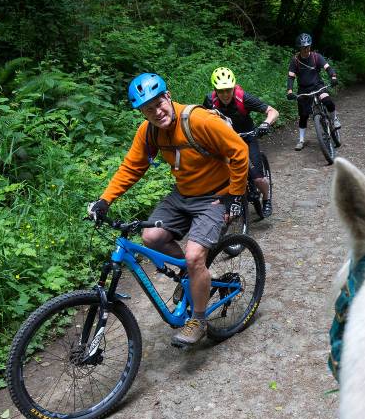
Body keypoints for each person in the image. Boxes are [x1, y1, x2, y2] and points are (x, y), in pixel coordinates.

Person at [87, 72, 250, 346]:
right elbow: (132, 167)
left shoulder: (199, 120)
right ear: (142, 113)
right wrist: (105, 200)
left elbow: (239, 151)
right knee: (151, 237)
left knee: (195, 255)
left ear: (168, 96)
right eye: (148, 109)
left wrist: (234, 196)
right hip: (183, 194)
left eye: (158, 103)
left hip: (215, 195)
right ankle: (193, 279)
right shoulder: (149, 131)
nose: (156, 112)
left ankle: (198, 318)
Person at [203, 66, 279, 218]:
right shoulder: (210, 100)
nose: (225, 94)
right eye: (221, 90)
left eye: (228, 90)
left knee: (257, 178)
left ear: (233, 87)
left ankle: (266, 198)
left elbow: (273, 111)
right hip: (225, 141)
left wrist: (265, 124)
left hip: (246, 137)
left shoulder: (243, 98)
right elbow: (203, 120)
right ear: (215, 89)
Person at [286, 33, 340, 151]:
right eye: (303, 47)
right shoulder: (295, 61)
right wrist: (289, 91)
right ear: (299, 48)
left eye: (307, 47)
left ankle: (334, 119)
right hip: (304, 90)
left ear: (310, 46)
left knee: (328, 101)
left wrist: (333, 77)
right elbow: (291, 77)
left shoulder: (316, 57)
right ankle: (301, 140)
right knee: (303, 115)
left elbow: (328, 68)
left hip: (318, 86)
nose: (305, 49)